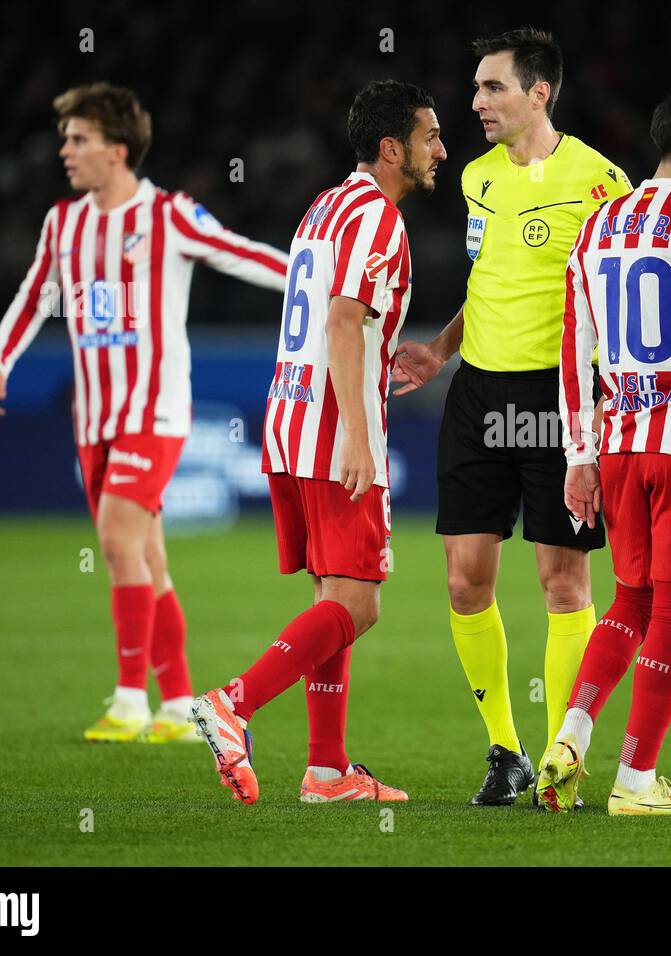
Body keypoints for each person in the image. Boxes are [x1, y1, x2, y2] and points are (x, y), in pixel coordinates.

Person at [0, 83, 288, 743]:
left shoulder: (168, 215)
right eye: (66, 138)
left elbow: (245, 254)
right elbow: (36, 295)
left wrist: (320, 281)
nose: (65, 150)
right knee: (147, 558)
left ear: (117, 150)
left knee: (117, 541)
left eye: (78, 139)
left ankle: (128, 701)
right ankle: (177, 705)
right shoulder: (64, 222)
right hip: (94, 418)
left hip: (156, 411)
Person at [391, 28, 632, 806]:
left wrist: (607, 404)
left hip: (560, 400)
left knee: (563, 582)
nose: (475, 103)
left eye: (491, 87)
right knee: (465, 579)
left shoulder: (601, 182)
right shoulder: (477, 178)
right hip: (477, 395)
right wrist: (440, 350)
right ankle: (506, 752)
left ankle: (564, 754)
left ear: (539, 93)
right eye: (474, 88)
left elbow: (620, 300)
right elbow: (490, 280)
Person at [190, 79, 446, 805]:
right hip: (333, 431)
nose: (442, 150)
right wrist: (361, 440)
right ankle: (233, 702)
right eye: (431, 137)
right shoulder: (377, 219)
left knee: (332, 596)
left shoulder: (324, 206)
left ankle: (327, 772)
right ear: (393, 147)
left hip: (289, 420)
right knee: (359, 607)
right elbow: (340, 321)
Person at [538, 86, 671, 815]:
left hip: (622, 444)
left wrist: (578, 453)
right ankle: (634, 780)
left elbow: (574, 350)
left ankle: (569, 737)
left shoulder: (597, 225)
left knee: (629, 599)